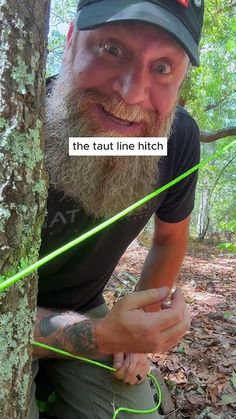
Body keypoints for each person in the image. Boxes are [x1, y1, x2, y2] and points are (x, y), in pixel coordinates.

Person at [29, 1, 204, 418]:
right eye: (111, 48)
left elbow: (168, 238)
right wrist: (101, 335)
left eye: (162, 68)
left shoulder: (176, 142)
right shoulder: (14, 121)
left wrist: (138, 325)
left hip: (84, 306)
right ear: (70, 43)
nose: (131, 92)